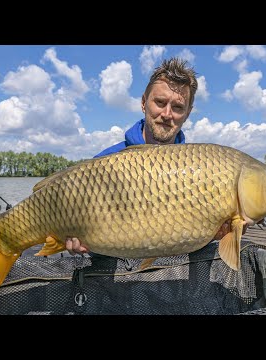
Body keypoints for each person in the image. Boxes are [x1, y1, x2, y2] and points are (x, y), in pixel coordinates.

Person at [62, 57, 243, 255]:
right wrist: (77, 242)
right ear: (143, 103)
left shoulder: (200, 170)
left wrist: (220, 232)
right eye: (160, 102)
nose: (167, 114)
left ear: (188, 113)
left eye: (177, 107)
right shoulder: (103, 163)